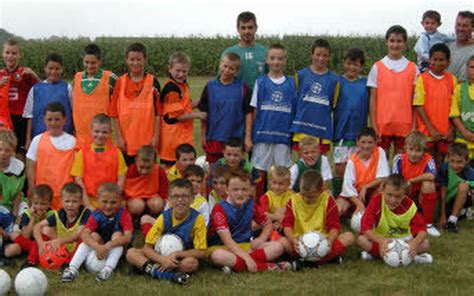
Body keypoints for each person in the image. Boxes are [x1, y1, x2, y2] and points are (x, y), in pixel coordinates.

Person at [207, 170, 291, 272]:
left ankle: (234, 266)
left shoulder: (250, 205)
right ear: (227, 190)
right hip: (222, 247)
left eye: (244, 189)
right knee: (218, 256)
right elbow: (228, 241)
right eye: (235, 189)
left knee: (278, 247)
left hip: (244, 245)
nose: (240, 193)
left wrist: (261, 239)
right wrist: (247, 259)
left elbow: (267, 224)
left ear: (250, 190)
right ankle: (268, 267)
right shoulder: (219, 209)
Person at [126, 179, 206, 285]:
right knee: (131, 253)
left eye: (185, 196)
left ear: (192, 199)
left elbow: (201, 252)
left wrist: (177, 254)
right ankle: (167, 275)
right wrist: (162, 260)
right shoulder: (164, 217)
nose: (180, 200)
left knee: (192, 263)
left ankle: (147, 268)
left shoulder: (197, 219)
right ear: (169, 199)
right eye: (176, 196)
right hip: (159, 255)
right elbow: (147, 248)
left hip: (179, 259)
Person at [61, 183, 133, 282]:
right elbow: (84, 234)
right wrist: (97, 246)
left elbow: (128, 237)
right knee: (93, 236)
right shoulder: (96, 215)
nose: (108, 206)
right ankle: (72, 269)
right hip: (99, 246)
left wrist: (109, 245)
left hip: (116, 247)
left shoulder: (123, 214)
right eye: (104, 202)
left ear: (120, 200)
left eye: (113, 202)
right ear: (97, 199)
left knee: (117, 236)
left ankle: (107, 270)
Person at [281, 169, 354, 266]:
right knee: (283, 241)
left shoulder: (328, 200)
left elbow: (334, 226)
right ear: (300, 188)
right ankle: (327, 259)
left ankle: (305, 262)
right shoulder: (293, 200)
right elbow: (287, 225)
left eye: (311, 197)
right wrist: (293, 240)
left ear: (321, 190)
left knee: (349, 237)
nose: (306, 199)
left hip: (322, 242)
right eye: (303, 195)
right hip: (300, 242)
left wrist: (330, 241)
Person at [356, 174, 433, 264]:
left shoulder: (409, 205)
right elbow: (365, 227)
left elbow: (422, 230)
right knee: (361, 240)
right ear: (382, 190)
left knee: (425, 243)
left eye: (398, 197)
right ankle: (408, 257)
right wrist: (380, 241)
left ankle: (378, 255)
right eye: (389, 195)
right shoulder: (376, 201)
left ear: (405, 194)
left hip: (403, 241)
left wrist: (415, 243)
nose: (392, 200)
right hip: (383, 239)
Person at [368, 25, 419, 154]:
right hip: (382, 125)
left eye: (399, 41)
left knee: (400, 165)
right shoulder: (377, 67)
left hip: (405, 126)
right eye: (392, 41)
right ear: (386, 42)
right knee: (381, 165)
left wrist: (413, 126)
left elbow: (415, 101)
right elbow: (373, 99)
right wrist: (374, 125)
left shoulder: (413, 68)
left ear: (405, 43)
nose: (395, 45)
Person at [110, 43, 160, 164]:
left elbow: (158, 112)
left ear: (145, 60)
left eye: (139, 59)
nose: (135, 63)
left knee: (147, 176)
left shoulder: (153, 82)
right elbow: (114, 113)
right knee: (126, 178)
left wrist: (156, 136)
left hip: (147, 142)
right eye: (132, 59)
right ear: (126, 60)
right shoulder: (120, 82)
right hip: (126, 143)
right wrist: (119, 137)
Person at [198, 53, 253, 162]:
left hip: (235, 139)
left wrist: (247, 137)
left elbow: (248, 113)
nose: (227, 70)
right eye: (225, 66)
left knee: (234, 173)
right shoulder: (210, 86)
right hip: (214, 137)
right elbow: (204, 114)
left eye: (231, 68)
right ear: (220, 65)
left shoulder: (242, 87)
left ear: (236, 71)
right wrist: (203, 135)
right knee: (215, 173)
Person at [250, 43, 296, 173]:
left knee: (283, 172)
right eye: (272, 58)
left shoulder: (292, 83)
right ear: (267, 60)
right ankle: (260, 194)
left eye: (280, 58)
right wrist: (252, 133)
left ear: (285, 61)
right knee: (259, 171)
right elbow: (255, 109)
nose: (276, 62)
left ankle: (284, 194)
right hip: (263, 135)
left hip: (283, 135)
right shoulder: (260, 82)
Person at [291, 38, 340, 155]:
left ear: (329, 57)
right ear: (312, 54)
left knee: (319, 168)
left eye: (325, 55)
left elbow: (333, 105)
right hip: (301, 130)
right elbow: (294, 102)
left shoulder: (334, 80)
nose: (321, 58)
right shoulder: (300, 75)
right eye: (318, 54)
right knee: (303, 166)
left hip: (322, 132)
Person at [26, 102, 76, 210]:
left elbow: (77, 172)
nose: (53, 123)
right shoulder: (37, 140)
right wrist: (32, 191)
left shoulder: (73, 142)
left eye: (57, 119)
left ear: (64, 120)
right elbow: (30, 168)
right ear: (44, 119)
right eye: (50, 119)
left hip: (66, 200)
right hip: (43, 199)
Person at [333, 48, 369, 197]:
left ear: (361, 66)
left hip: (358, 134)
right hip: (341, 132)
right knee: (340, 168)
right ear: (344, 63)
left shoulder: (366, 83)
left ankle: (354, 200)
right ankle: (338, 198)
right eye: (349, 63)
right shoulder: (337, 82)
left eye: (356, 64)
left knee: (357, 169)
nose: (352, 67)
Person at [159, 52, 206, 165]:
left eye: (184, 71)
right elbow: (178, 116)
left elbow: (186, 107)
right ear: (169, 69)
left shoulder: (182, 85)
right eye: (177, 71)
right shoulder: (172, 89)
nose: (181, 74)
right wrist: (199, 115)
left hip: (180, 135)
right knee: (172, 169)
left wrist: (202, 100)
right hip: (172, 137)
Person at [71, 113, 127, 209]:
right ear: (91, 130)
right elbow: (78, 179)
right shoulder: (83, 153)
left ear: (110, 132)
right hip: (89, 201)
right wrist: (88, 204)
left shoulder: (116, 152)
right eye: (96, 131)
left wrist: (114, 200)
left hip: (111, 202)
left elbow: (121, 177)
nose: (100, 135)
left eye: (104, 132)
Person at [414, 43, 457, 166]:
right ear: (430, 60)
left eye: (441, 60)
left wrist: (452, 129)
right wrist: (431, 129)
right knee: (427, 162)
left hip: (445, 132)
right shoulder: (422, 79)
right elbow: (418, 105)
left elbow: (454, 108)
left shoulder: (452, 79)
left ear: (448, 62)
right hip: (427, 132)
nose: (437, 63)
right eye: (434, 59)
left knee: (441, 162)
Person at [30, 183, 91, 267]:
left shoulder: (86, 213)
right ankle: (31, 261)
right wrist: (41, 243)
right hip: (62, 246)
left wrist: (60, 241)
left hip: (78, 248)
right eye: (67, 201)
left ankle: (70, 263)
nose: (70, 205)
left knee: (84, 235)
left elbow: (78, 235)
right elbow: (37, 226)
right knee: (45, 230)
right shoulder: (59, 213)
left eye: (74, 201)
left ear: (81, 201)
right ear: (61, 200)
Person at [392, 131, 439, 236]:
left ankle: (428, 224)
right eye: (411, 149)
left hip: (419, 194)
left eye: (418, 150)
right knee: (395, 186)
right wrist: (405, 186)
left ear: (423, 151)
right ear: (405, 148)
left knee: (429, 184)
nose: (413, 154)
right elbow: (395, 180)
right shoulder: (399, 159)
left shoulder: (428, 159)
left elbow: (431, 175)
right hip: (404, 193)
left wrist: (411, 181)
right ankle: (400, 217)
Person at [337, 127, 390, 216]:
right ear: (357, 142)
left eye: (370, 142)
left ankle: (373, 213)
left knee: (383, 186)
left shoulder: (379, 152)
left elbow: (383, 177)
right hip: (354, 195)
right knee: (339, 208)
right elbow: (348, 188)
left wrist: (365, 187)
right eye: (363, 142)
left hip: (371, 191)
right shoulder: (352, 161)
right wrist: (359, 204)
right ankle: (349, 215)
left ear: (375, 143)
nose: (366, 146)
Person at [23, 53, 73, 146]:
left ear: (62, 69)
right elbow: (29, 116)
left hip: (63, 137)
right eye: (50, 68)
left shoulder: (67, 88)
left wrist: (75, 134)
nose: (53, 72)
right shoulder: (35, 89)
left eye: (57, 69)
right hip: (40, 137)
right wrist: (28, 139)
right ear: (45, 68)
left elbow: (74, 113)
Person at [72, 43, 117, 146]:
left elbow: (119, 103)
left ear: (100, 61)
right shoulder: (77, 78)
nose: (89, 66)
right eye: (86, 62)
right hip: (81, 137)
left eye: (93, 63)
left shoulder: (110, 78)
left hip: (101, 136)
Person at [0, 38, 39, 154]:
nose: (10, 56)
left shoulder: (25, 73)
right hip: (4, 118)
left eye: (14, 53)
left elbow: (43, 89)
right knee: (5, 150)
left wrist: (34, 75)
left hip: (21, 118)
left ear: (19, 55)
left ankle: (20, 170)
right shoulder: (0, 74)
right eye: (7, 52)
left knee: (21, 152)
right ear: (2, 54)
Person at [220, 11, 267, 90]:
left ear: (256, 28)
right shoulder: (228, 53)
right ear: (238, 29)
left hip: (260, 99)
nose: (247, 31)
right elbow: (220, 80)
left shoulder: (265, 52)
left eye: (250, 27)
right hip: (236, 98)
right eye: (243, 28)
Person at [10, 185, 54, 266]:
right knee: (14, 234)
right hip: (30, 240)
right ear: (31, 202)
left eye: (43, 204)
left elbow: (48, 234)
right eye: (36, 203)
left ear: (49, 204)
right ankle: (35, 250)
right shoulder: (27, 214)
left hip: (44, 241)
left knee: (45, 229)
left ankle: (32, 258)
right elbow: (26, 236)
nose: (39, 207)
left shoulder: (52, 214)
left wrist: (43, 218)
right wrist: (33, 217)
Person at [436, 143, 474, 233]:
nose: (455, 165)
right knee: (463, 186)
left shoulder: (470, 172)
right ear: (448, 159)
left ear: (467, 161)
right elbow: (442, 193)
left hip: (462, 199)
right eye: (452, 161)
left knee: (465, 186)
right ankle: (462, 213)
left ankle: (452, 221)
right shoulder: (444, 168)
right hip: (445, 203)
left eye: (459, 162)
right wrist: (443, 215)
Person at [124, 145, 168, 218]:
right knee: (137, 206)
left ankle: (152, 217)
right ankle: (134, 219)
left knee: (157, 204)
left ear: (154, 163)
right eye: (141, 167)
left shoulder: (159, 171)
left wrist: (163, 201)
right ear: (136, 160)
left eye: (148, 168)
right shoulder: (129, 171)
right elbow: (125, 190)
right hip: (135, 199)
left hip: (152, 197)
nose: (144, 171)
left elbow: (164, 189)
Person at [258, 166, 294, 240]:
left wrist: (280, 222)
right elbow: (263, 214)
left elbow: (292, 214)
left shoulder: (292, 196)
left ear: (288, 184)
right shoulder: (266, 197)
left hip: (287, 225)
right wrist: (277, 218)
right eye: (274, 183)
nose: (277, 186)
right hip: (270, 224)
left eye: (281, 184)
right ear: (270, 181)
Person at [450, 56, 474, 159]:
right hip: (463, 143)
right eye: (472, 67)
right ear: (467, 69)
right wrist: (465, 132)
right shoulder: (459, 89)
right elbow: (454, 114)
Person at [0, 130, 26, 219]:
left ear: (13, 152)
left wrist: (14, 213)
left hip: (15, 201)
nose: (3, 153)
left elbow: (18, 193)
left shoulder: (19, 167)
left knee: (24, 216)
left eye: (7, 150)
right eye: (0, 149)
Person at [447, 11, 473, 82]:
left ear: (472, 28)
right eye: (458, 25)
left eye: (465, 26)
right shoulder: (447, 47)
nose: (461, 29)